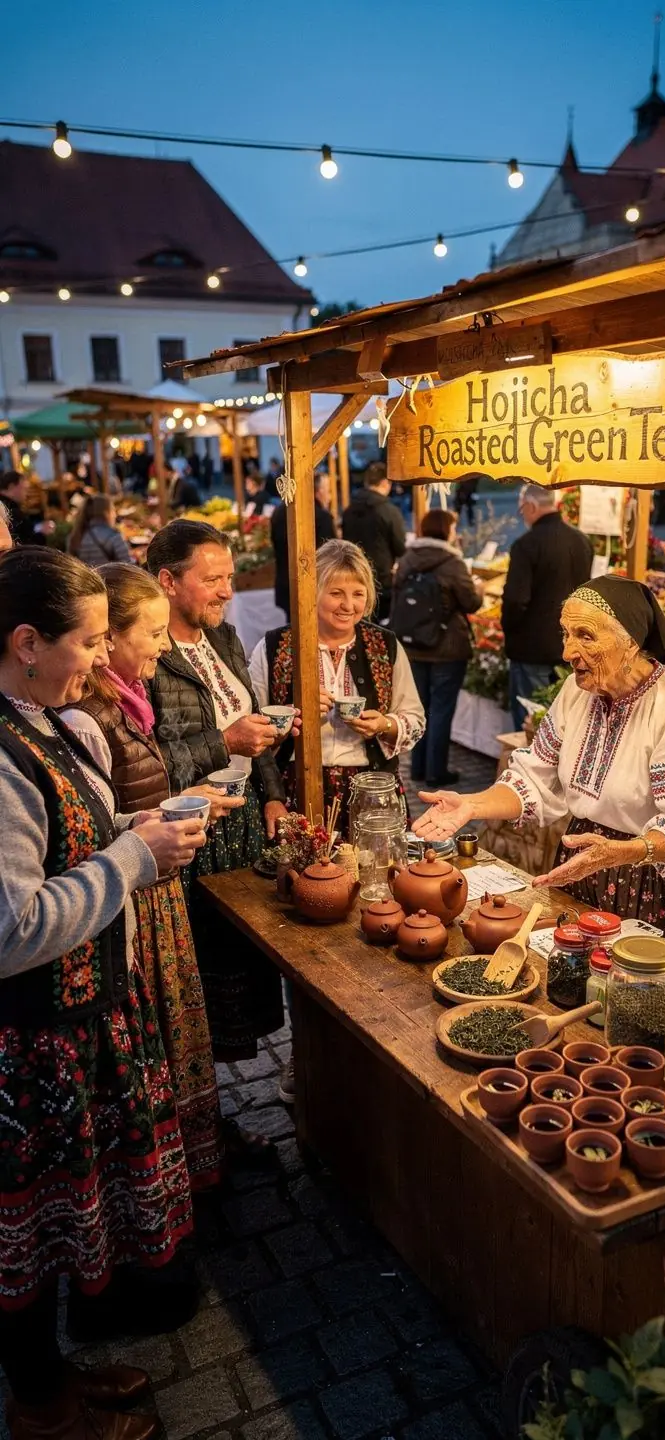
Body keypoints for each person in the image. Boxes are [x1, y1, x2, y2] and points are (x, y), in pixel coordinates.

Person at [0, 547, 208, 1438]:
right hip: (29, 1038)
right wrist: (133, 859)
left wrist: (144, 828)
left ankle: (51, 1376)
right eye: (86, 642)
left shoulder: (41, 719)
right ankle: (42, 1409)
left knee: (55, 1228)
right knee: (23, 1236)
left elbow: (70, 843)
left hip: (80, 1017)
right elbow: (9, 930)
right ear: (24, 642)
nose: (96, 660)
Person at [416, 576, 665, 971]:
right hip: (589, 865)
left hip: (658, 878)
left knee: (644, 1003)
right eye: (566, 634)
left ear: (631, 641)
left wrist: (620, 852)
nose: (567, 650)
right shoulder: (577, 692)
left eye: (585, 636)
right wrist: (471, 805)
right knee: (578, 986)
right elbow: (534, 779)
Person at [62, 563, 244, 1192]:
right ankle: (173, 1174)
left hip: (149, 879)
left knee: (173, 1031)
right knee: (157, 1036)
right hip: (129, 894)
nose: (165, 648)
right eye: (155, 634)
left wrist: (174, 803)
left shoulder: (120, 703)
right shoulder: (89, 714)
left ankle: (193, 1153)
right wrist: (162, 816)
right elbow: (88, 827)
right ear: (110, 638)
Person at [146, 520, 294, 1064]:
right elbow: (143, 762)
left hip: (245, 820)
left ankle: (224, 1096)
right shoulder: (148, 654)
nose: (228, 591)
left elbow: (253, 723)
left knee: (245, 957)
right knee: (200, 968)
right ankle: (202, 1104)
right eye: (213, 579)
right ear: (167, 581)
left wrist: (274, 794)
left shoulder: (224, 637)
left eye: (230, 577)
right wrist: (223, 740)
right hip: (187, 832)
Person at [250, 538, 425, 832]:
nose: (348, 605)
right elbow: (251, 726)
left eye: (358, 593)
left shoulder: (384, 645)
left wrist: (383, 724)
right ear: (313, 593)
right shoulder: (275, 647)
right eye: (336, 593)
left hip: (371, 788)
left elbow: (415, 720)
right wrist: (290, 717)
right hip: (294, 787)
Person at [392, 508, 482, 787]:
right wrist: (477, 588)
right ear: (446, 530)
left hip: (414, 645)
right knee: (441, 710)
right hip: (447, 647)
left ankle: (418, 768)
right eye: (453, 528)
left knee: (420, 708)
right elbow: (470, 602)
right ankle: (436, 771)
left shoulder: (407, 558)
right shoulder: (452, 563)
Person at [502, 483, 594, 729]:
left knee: (529, 723)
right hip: (571, 646)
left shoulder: (526, 545)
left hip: (532, 649)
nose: (523, 516)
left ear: (531, 506)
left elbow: (515, 600)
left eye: (522, 510)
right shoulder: (581, 541)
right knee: (565, 723)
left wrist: (509, 633)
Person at [341, 462, 406, 622]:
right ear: (385, 483)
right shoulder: (389, 511)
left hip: (353, 575)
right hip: (381, 581)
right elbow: (400, 547)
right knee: (379, 629)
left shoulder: (349, 510)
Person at [273, 472, 336, 619]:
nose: (330, 496)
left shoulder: (280, 511)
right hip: (312, 588)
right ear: (319, 492)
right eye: (329, 491)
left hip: (286, 583)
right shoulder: (320, 516)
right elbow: (330, 557)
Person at [67, 493, 134, 568]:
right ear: (106, 513)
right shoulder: (113, 536)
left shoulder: (75, 536)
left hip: (86, 579)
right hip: (108, 578)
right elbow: (129, 567)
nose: (115, 515)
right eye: (113, 510)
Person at [0, 470, 48, 546]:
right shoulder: (11, 512)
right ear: (11, 487)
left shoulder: (11, 508)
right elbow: (27, 543)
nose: (26, 494)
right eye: (24, 489)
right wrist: (41, 533)